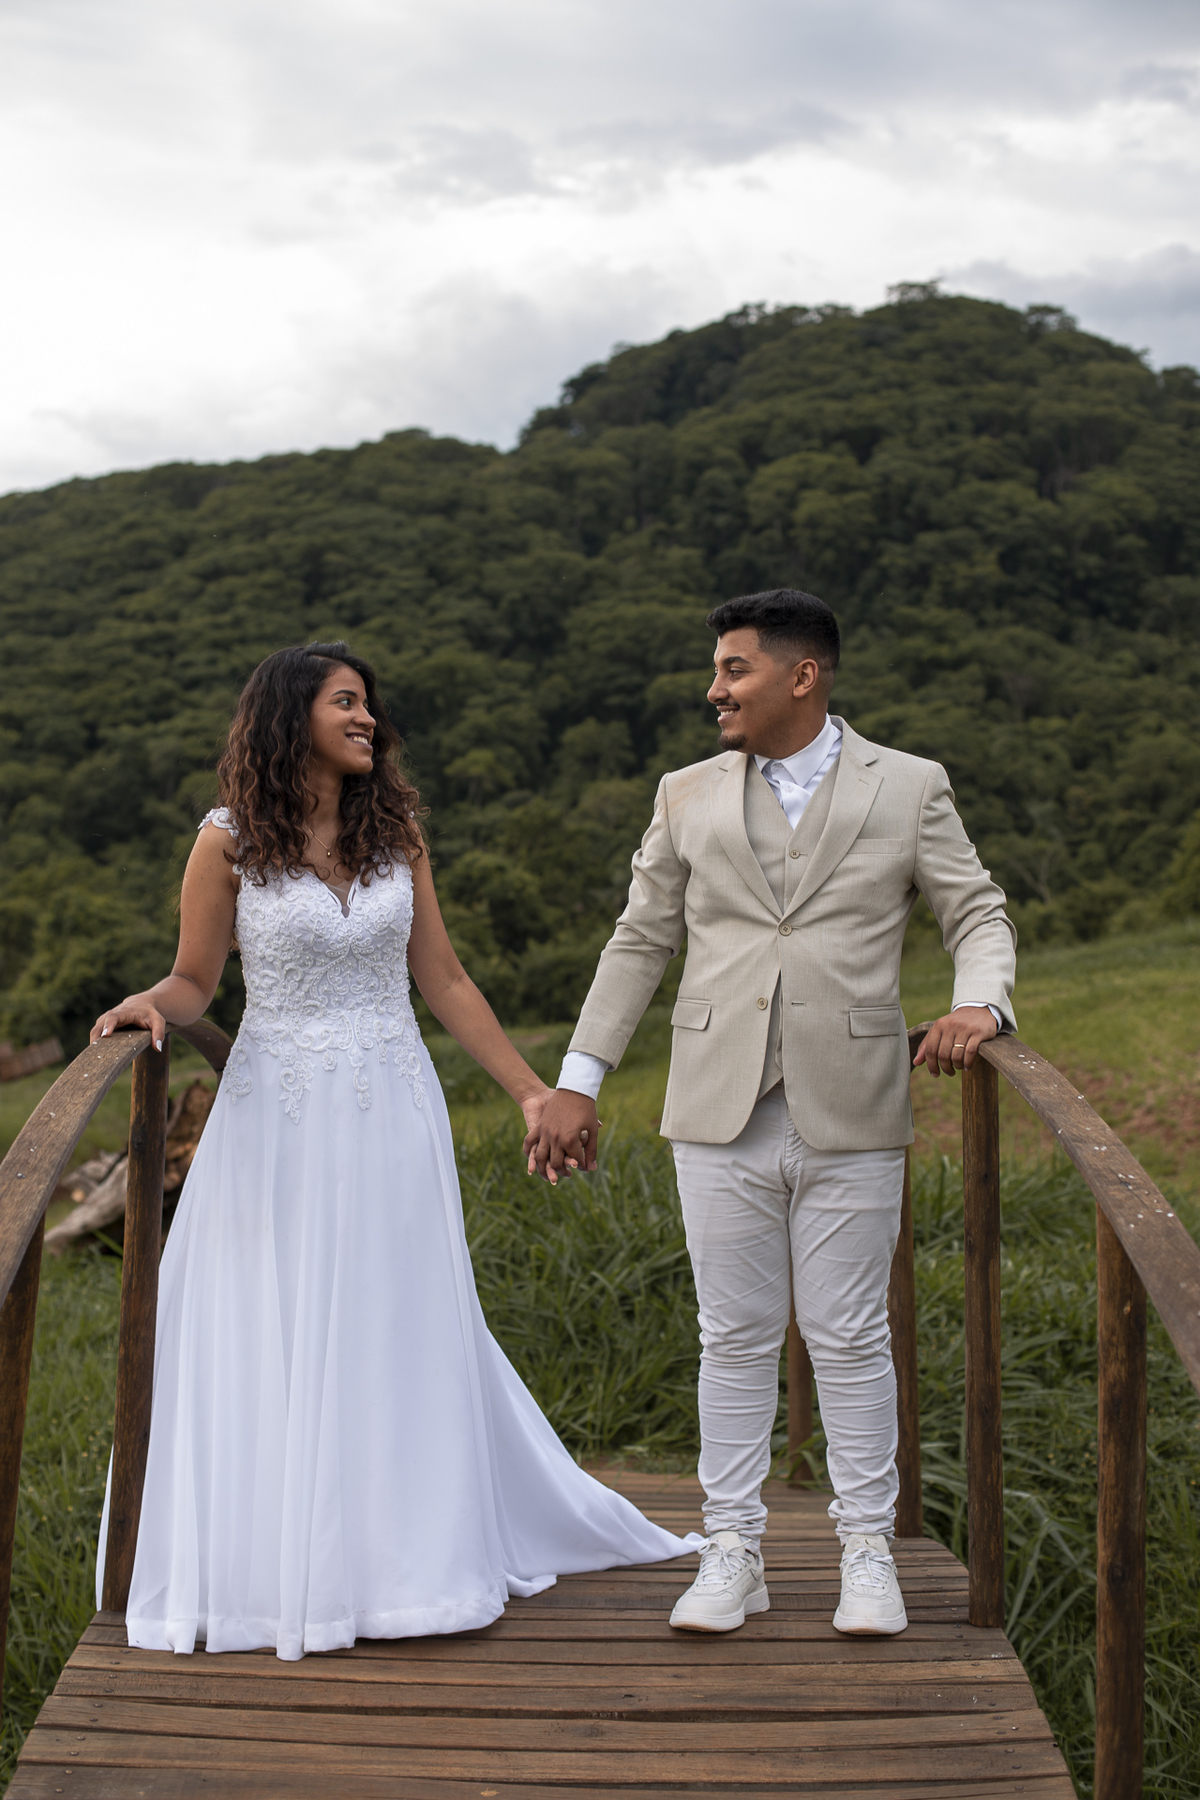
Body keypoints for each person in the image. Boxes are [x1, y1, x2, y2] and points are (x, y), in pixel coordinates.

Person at [91, 641, 700, 1661]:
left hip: (391, 1108)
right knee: (279, 1316)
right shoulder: (227, 842)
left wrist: (532, 1092)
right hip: (278, 1115)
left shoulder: (396, 833)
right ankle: (286, 1569)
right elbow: (195, 980)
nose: (366, 717)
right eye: (345, 701)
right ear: (290, 715)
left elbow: (445, 980)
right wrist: (150, 1003)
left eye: (369, 704)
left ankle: (412, 1564)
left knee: (393, 1314)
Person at [528, 589, 1016, 1636]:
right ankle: (733, 1550)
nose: (714, 689)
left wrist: (980, 1001)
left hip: (855, 1098)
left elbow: (975, 910)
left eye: (733, 669)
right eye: (717, 669)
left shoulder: (911, 784)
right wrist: (579, 1076)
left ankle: (867, 1551)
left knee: (850, 1336)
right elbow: (639, 941)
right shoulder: (684, 794)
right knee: (734, 1336)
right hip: (716, 1102)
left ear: (803, 676)